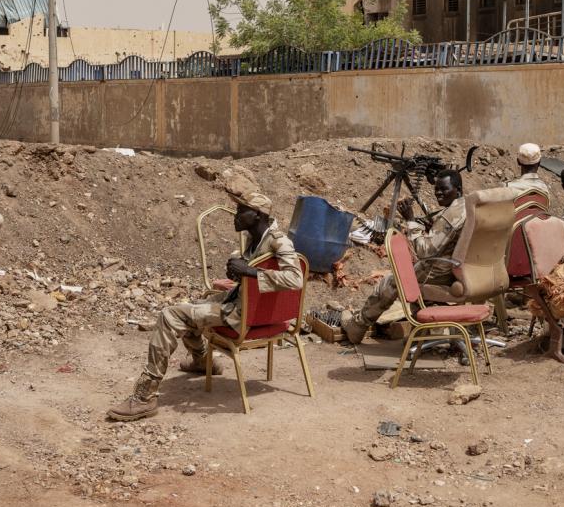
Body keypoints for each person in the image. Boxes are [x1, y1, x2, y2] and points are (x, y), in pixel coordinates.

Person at [107, 177, 303, 421]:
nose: (236, 215)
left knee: (171, 316)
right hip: (243, 304)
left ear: (258, 215)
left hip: (242, 313)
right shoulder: (257, 239)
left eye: (241, 211)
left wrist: (249, 272)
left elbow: (296, 279)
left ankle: (145, 396)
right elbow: (254, 273)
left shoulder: (279, 240)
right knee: (193, 306)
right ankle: (202, 361)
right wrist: (238, 271)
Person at [341, 171, 466, 344]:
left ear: (458, 190)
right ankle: (422, 336)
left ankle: (357, 327)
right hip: (463, 273)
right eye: (436, 189)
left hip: (440, 273)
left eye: (444, 189)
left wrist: (411, 220)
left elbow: (424, 250)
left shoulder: (452, 215)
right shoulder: (470, 206)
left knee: (390, 282)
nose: (438, 193)